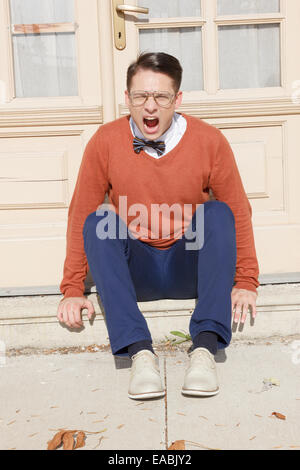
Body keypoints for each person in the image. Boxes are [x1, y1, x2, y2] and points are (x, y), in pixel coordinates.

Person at [57, 52, 259, 400]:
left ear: (176, 99)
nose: (150, 106)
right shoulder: (105, 141)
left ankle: (204, 349)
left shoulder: (210, 140)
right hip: (138, 271)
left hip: (189, 266)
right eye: (140, 96)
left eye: (161, 97)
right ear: (127, 99)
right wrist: (73, 287)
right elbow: (80, 213)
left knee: (219, 212)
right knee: (98, 221)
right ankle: (139, 352)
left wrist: (246, 280)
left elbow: (239, 211)